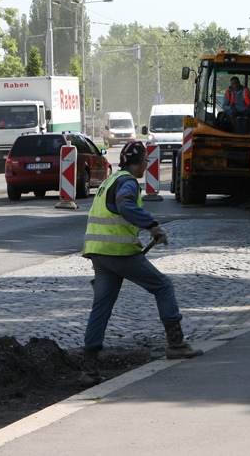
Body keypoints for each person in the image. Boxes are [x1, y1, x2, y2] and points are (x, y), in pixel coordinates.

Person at [79, 141, 203, 387]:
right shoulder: (128, 182)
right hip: (119, 252)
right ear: (139, 162)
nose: (147, 164)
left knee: (101, 308)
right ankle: (176, 343)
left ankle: (89, 369)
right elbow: (125, 206)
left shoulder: (108, 181)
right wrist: (152, 225)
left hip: (98, 253)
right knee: (163, 286)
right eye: (146, 160)